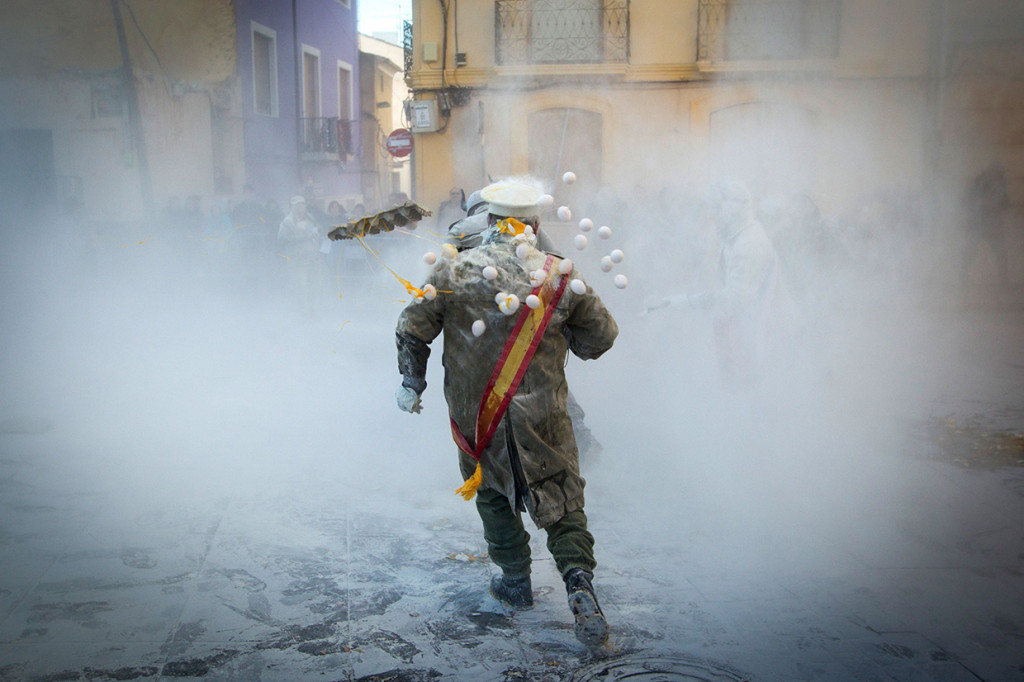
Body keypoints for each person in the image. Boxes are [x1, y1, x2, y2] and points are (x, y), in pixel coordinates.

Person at [394, 179, 619, 654]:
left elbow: (412, 328)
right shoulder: (558, 274)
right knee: (562, 496)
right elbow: (600, 338)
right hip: (545, 414)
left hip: (478, 415)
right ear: (534, 224)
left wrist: (412, 382)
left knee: (492, 492)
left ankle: (515, 581)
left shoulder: (453, 269)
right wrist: (563, 334)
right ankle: (579, 583)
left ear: (491, 220)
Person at [649, 177, 784, 388]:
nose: (710, 216)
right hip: (745, 332)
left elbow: (736, 299)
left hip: (760, 336)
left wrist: (682, 302)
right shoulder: (734, 237)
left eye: (714, 209)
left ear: (730, 210)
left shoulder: (748, 245)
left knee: (749, 390)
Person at [278, 195, 324, 314]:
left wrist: (318, 233)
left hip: (313, 258)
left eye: (302, 205)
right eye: (297, 206)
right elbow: (282, 239)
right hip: (297, 260)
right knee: (300, 286)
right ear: (292, 207)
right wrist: (303, 237)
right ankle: (301, 311)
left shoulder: (310, 218)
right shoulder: (287, 222)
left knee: (314, 285)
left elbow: (318, 229)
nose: (300, 208)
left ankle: (312, 310)